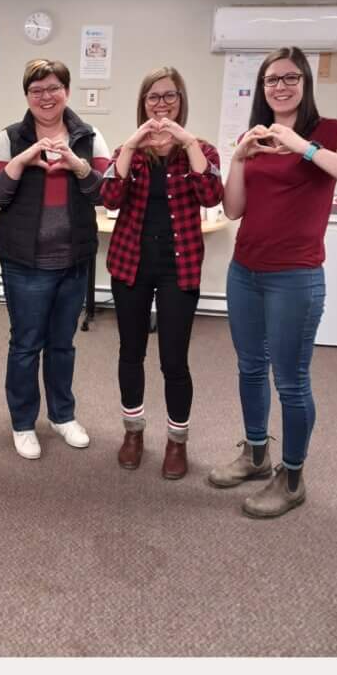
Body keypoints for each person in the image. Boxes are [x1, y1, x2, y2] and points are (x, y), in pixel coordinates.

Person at [213, 47, 337, 521]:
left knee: (290, 381)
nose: (281, 86)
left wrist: (301, 146)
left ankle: (292, 478)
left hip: (296, 276)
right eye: (272, 80)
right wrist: (238, 156)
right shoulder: (256, 135)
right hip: (245, 271)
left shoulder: (331, 131)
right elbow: (233, 209)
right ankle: (256, 454)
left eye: (290, 77)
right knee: (250, 368)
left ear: (306, 82)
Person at [99, 66, 224, 481]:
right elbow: (110, 199)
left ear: (181, 101)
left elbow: (211, 195)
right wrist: (132, 146)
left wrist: (187, 142)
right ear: (143, 103)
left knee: (175, 359)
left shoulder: (201, 150)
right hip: (130, 263)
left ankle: (177, 441)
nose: (161, 104)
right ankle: (133, 433)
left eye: (169, 96)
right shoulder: (127, 151)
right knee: (130, 352)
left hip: (179, 266)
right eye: (154, 97)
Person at [0, 58, 106, 459]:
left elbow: (105, 193)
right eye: (37, 91)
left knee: (62, 344)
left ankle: (63, 416)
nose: (46, 97)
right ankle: (22, 423)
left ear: (66, 91)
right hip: (24, 261)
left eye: (53, 88)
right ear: (27, 97)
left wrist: (76, 164)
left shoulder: (89, 136)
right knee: (26, 345)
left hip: (73, 258)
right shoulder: (11, 137)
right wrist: (22, 161)